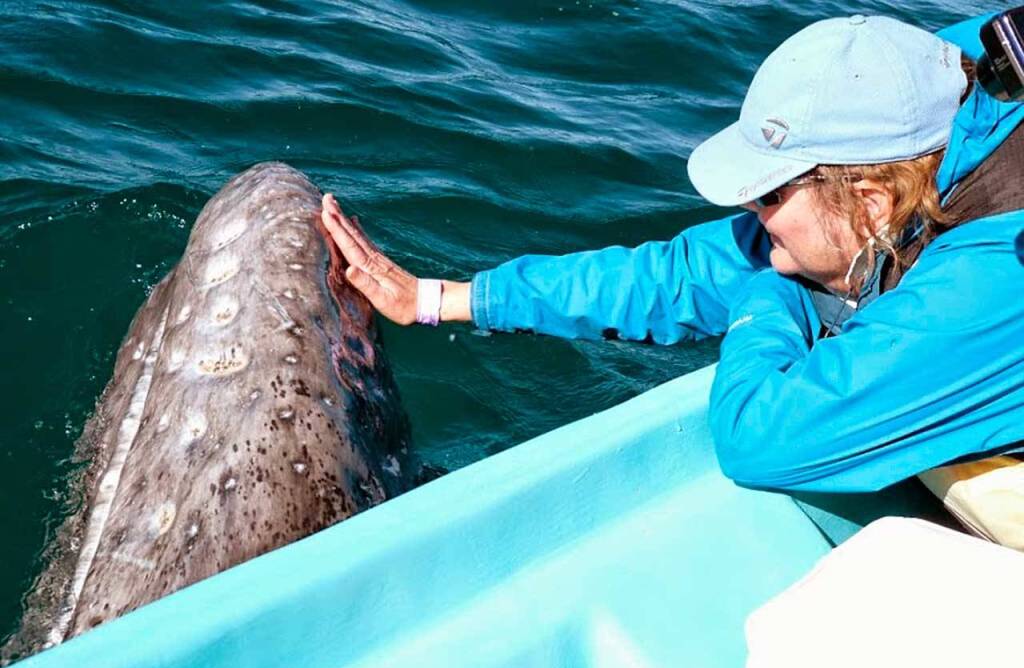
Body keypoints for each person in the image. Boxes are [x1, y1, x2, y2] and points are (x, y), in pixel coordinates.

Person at [320, 12, 1024, 498]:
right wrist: (440, 299)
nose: (751, 216)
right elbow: (679, 277)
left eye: (769, 196)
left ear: (871, 202)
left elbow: (762, 441)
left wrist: (767, 292)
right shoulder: (928, 119)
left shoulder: (994, 280)